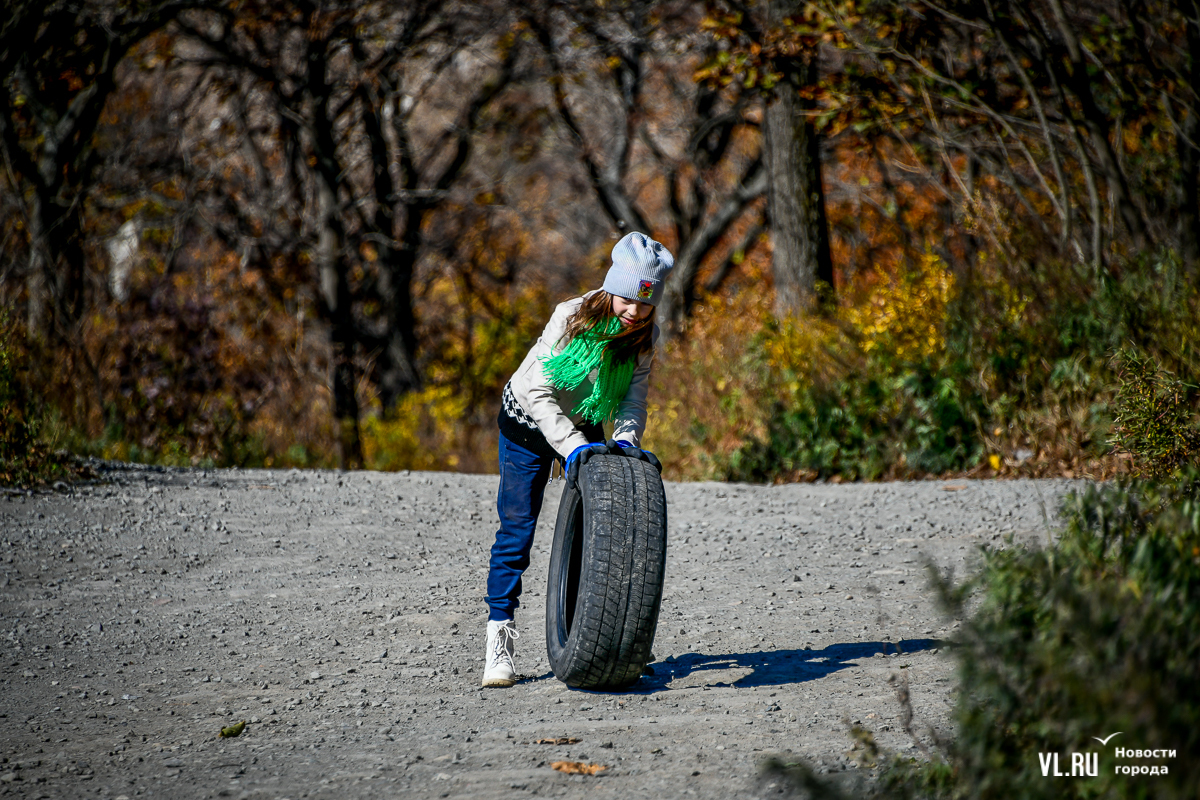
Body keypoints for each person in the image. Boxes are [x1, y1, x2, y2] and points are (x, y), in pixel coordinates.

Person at [482, 231, 673, 688]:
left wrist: (625, 443)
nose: (634, 312)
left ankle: (609, 634)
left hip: (585, 418)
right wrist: (573, 449)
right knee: (517, 533)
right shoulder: (571, 316)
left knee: (604, 528)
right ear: (612, 287)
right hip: (529, 421)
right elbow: (538, 391)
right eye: (628, 299)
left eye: (645, 304)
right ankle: (499, 640)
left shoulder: (644, 336)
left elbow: (632, 401)